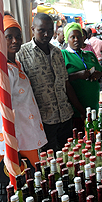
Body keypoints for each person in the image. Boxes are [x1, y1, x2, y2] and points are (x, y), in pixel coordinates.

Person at [0, 13, 47, 166]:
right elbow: (0, 113)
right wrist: (9, 148)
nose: (15, 41)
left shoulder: (15, 65)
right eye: (9, 37)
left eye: (18, 36)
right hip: (15, 142)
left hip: (27, 135)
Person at [17, 13, 84, 152]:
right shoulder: (22, 54)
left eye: (50, 30)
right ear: (33, 29)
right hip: (43, 121)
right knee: (49, 163)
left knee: (69, 158)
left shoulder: (57, 52)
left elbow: (66, 84)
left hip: (65, 117)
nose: (47, 34)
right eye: (41, 30)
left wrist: (80, 109)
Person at [61, 23, 102, 131]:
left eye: (79, 36)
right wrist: (77, 75)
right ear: (67, 39)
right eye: (73, 37)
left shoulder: (89, 55)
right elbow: (61, 79)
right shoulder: (63, 55)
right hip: (76, 109)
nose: (77, 39)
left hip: (93, 105)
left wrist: (98, 75)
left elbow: (101, 71)